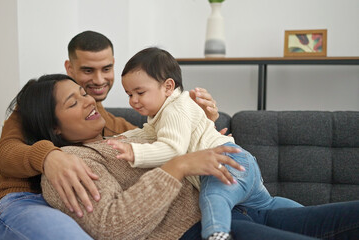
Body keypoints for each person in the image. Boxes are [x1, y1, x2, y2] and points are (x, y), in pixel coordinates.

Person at [12, 74, 357, 240]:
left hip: (238, 205)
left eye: (84, 93)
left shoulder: (123, 135)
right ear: (53, 127)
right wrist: (178, 166)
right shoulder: (70, 164)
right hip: (197, 230)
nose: (90, 100)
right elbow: (111, 226)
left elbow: (171, 136)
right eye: (74, 102)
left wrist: (201, 124)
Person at [0, 31, 222, 239]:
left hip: (78, 207)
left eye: (106, 69)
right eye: (88, 70)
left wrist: (198, 124)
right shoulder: (36, 106)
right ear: (70, 68)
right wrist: (49, 157)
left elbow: (154, 142)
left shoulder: (105, 119)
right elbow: (6, 153)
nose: (99, 80)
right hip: (25, 199)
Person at [106, 47, 303, 240]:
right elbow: (146, 133)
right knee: (267, 205)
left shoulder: (174, 110)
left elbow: (173, 149)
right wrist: (121, 138)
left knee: (213, 198)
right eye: (129, 94)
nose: (133, 101)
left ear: (167, 87)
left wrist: (135, 153)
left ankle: (216, 234)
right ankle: (309, 214)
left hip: (224, 162)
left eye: (140, 92)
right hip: (239, 159)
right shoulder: (163, 113)